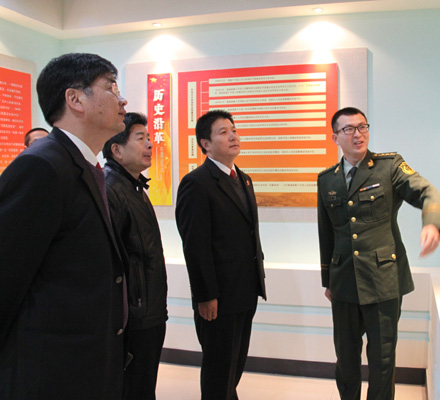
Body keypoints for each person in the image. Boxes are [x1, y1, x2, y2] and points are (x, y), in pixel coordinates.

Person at [0, 53, 128, 399]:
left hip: (85, 361)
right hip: (50, 369)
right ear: (75, 99)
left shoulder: (83, 165)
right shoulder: (41, 166)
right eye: (111, 87)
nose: (122, 100)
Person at [317, 107, 440, 400]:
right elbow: (326, 234)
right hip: (344, 283)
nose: (358, 134)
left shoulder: (389, 166)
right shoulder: (326, 180)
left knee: (382, 362)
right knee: (346, 362)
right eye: (349, 129)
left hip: (383, 281)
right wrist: (328, 281)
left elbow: (426, 192)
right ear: (335, 137)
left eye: (362, 127)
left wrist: (433, 222)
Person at [176, 109, 267, 399]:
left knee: (234, 366)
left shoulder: (244, 179)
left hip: (246, 289)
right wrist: (205, 295)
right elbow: (195, 244)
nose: (233, 136)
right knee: (219, 370)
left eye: (234, 130)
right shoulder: (197, 183)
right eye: (223, 132)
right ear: (205, 143)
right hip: (218, 296)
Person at [102, 112, 168, 400]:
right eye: (140, 138)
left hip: (148, 311)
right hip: (134, 317)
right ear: (116, 150)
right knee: (133, 389)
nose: (150, 144)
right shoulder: (111, 189)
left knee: (144, 386)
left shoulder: (134, 186)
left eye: (149, 138)